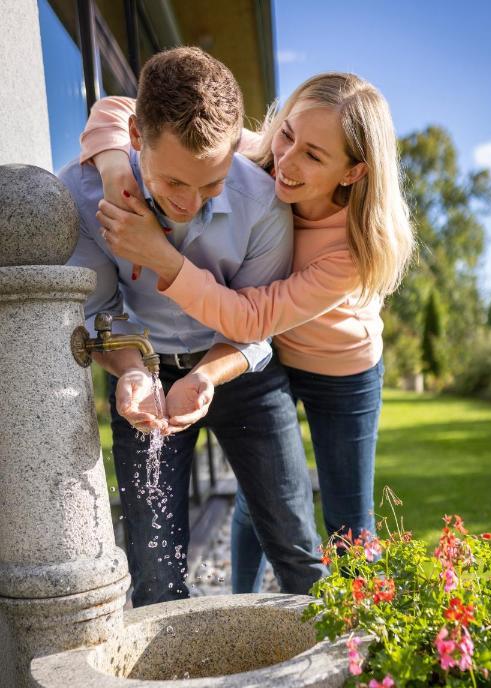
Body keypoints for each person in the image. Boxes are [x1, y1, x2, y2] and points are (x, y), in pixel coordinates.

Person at [79, 71, 413, 592]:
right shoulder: (253, 158)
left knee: (349, 519)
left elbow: (250, 319)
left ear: (353, 172)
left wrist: (161, 257)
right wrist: (115, 165)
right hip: (267, 356)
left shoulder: (354, 248)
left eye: (314, 156)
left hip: (339, 372)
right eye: (286, 136)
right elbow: (120, 109)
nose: (287, 160)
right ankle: (242, 601)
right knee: (258, 503)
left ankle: (365, 637)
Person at [60, 47, 326, 607]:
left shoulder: (262, 205)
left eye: (211, 184)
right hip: (144, 378)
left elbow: (255, 326)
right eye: (175, 182)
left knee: (298, 549)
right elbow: (100, 311)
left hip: (239, 376)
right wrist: (131, 370)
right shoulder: (86, 196)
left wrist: (205, 377)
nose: (189, 202)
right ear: (135, 136)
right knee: (154, 577)